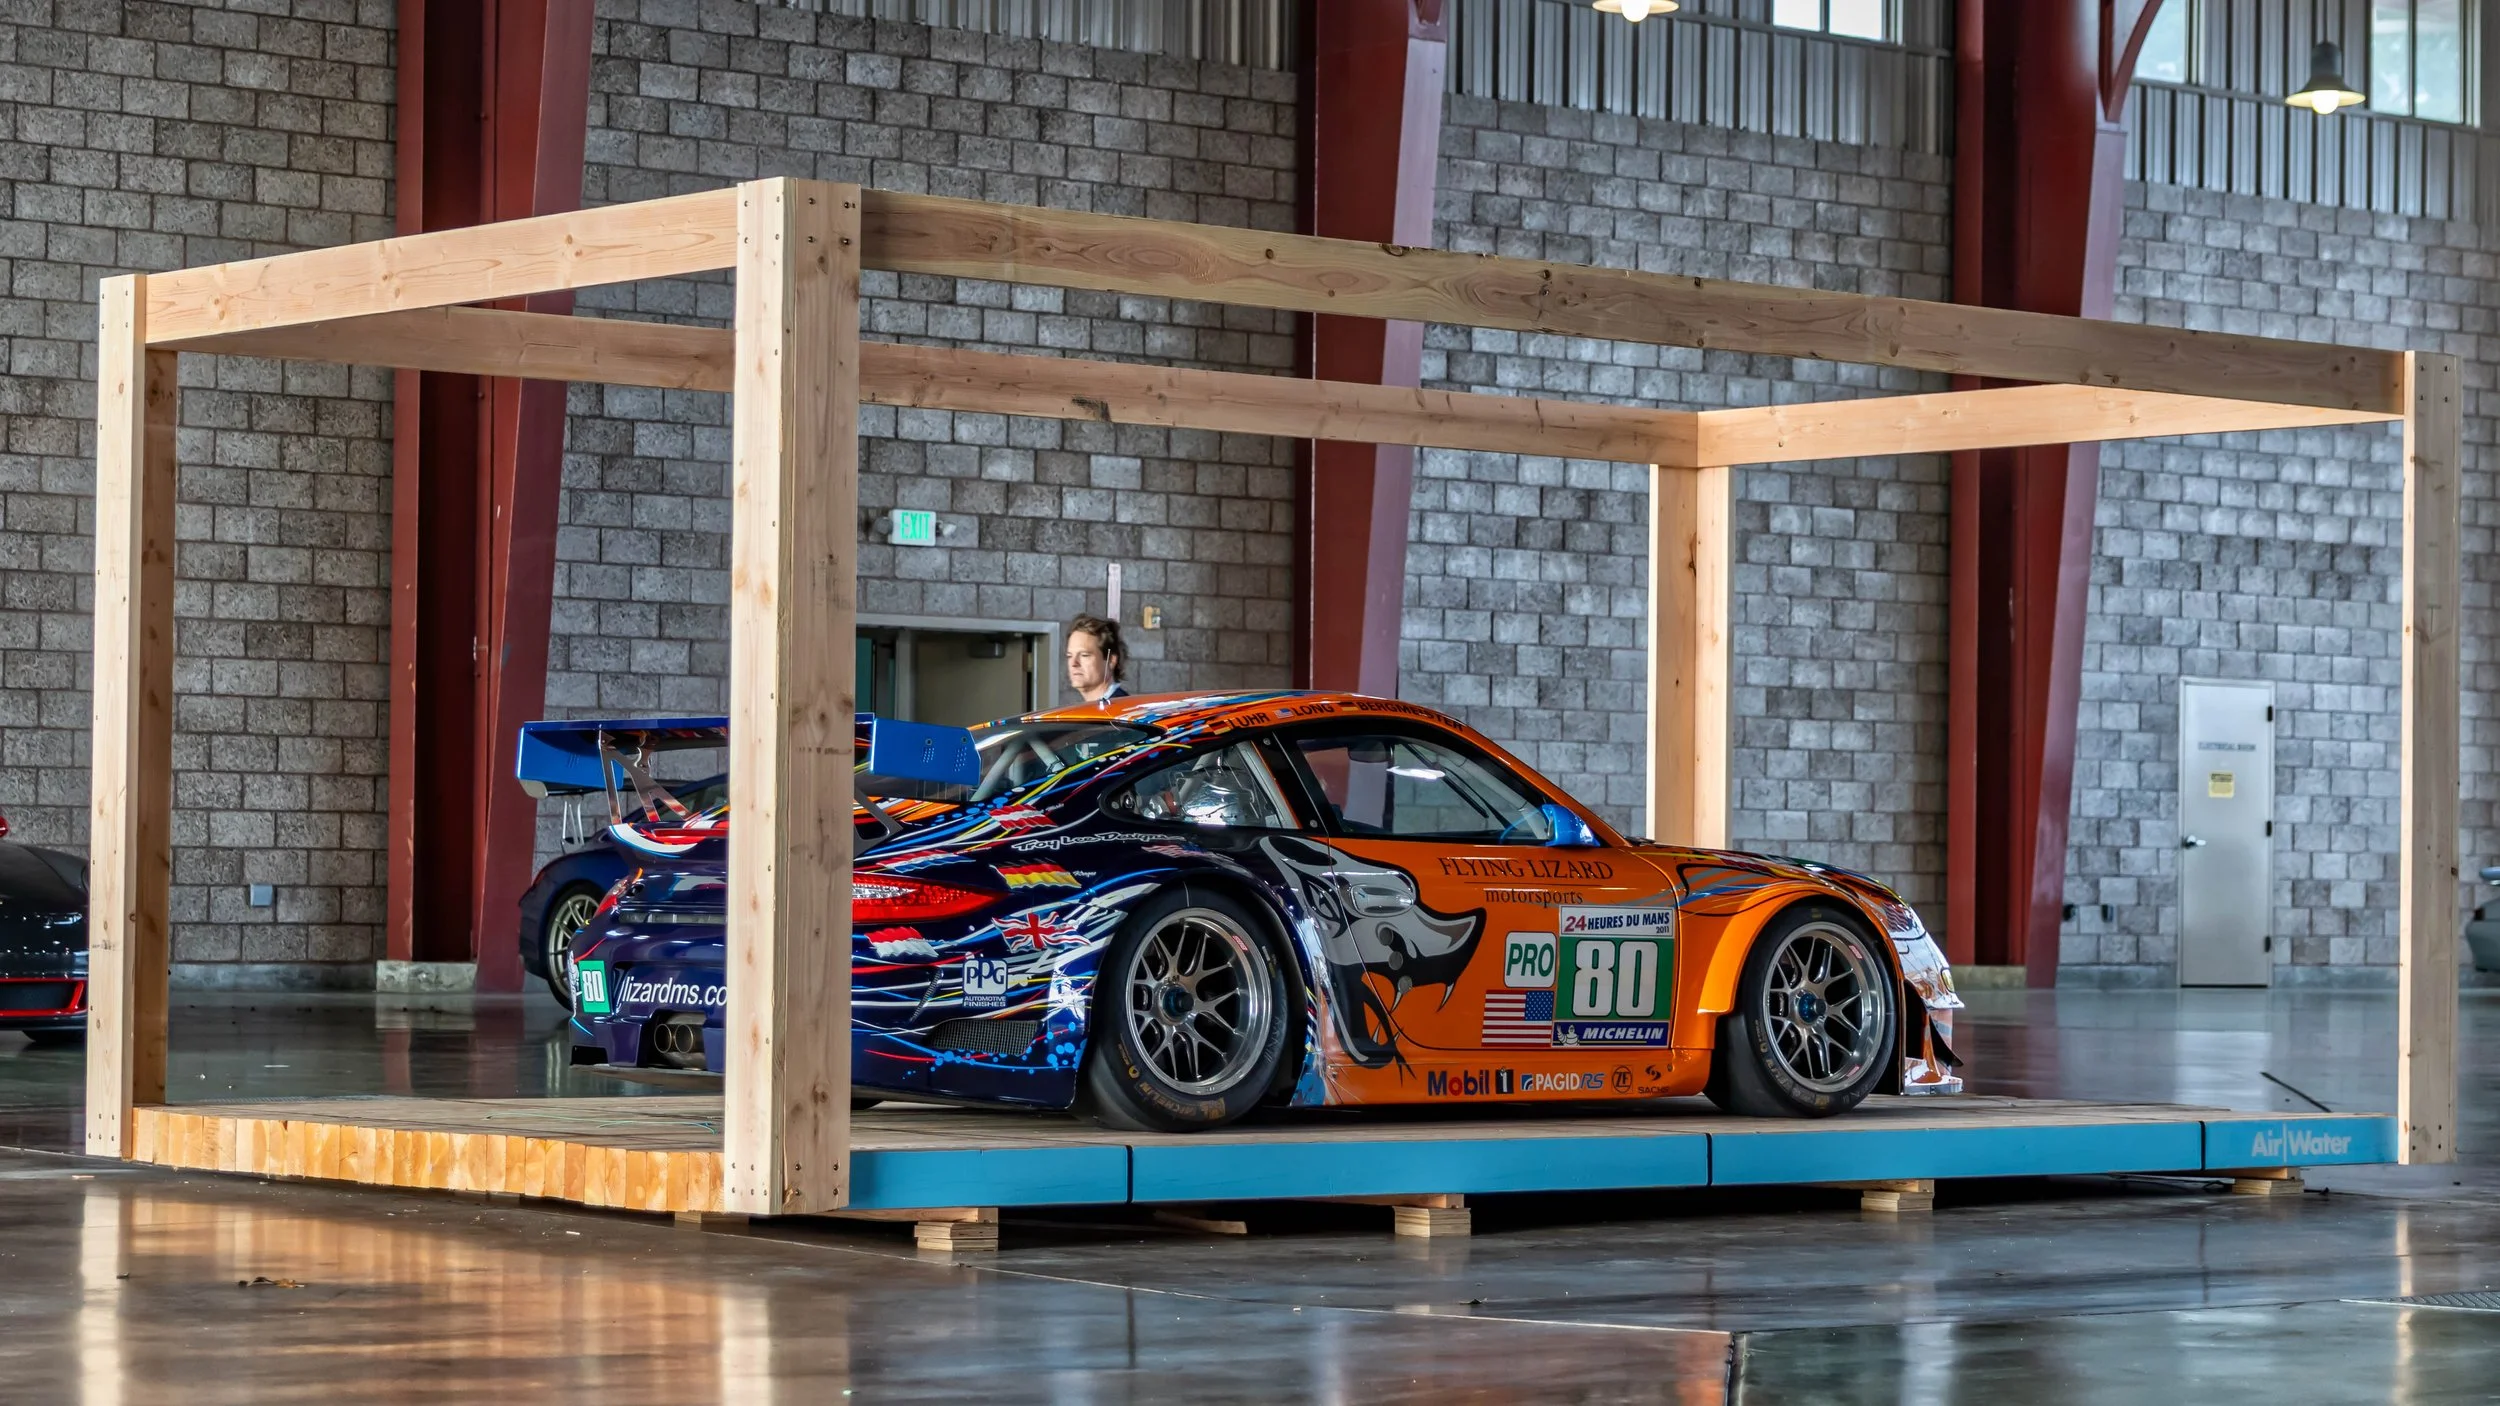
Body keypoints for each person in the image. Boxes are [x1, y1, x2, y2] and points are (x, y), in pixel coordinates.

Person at [1065, 614, 1129, 704]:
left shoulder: (1122, 712)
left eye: (1084, 655)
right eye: (1069, 656)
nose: (1074, 663)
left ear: (1110, 661)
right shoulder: (1083, 712)